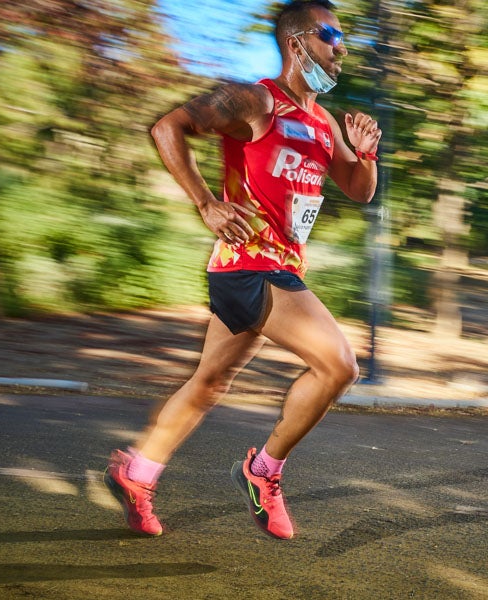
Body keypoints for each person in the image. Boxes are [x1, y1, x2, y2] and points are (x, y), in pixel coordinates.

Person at [103, 0, 381, 540]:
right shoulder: (257, 101)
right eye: (331, 35)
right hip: (251, 264)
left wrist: (367, 154)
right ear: (297, 42)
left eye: (343, 38)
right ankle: (263, 472)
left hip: (267, 268)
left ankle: (136, 473)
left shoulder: (322, 122)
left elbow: (359, 191)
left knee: (209, 383)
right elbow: (168, 128)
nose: (341, 48)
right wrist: (206, 202)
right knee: (339, 365)